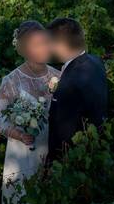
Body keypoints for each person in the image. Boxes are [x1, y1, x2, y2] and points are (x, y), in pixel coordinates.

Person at [0, 21, 60, 204]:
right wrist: (19, 134)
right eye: (37, 44)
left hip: (51, 148)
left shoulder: (58, 76)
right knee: (20, 198)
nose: (43, 48)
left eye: (45, 42)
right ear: (24, 49)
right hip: (22, 153)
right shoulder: (11, 81)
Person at [46, 17, 108, 162]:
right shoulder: (95, 61)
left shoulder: (68, 84)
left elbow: (62, 134)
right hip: (94, 145)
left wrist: (52, 163)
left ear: (60, 45)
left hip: (74, 158)